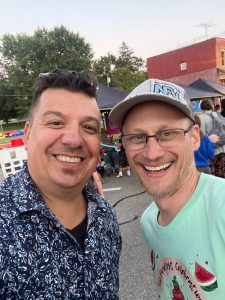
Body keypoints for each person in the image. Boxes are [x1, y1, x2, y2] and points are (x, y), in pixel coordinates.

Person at [0, 69, 121, 299]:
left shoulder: (106, 218)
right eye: (56, 122)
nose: (74, 139)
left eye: (89, 127)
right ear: (28, 134)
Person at [109, 78, 225, 299]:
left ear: (193, 138)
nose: (152, 153)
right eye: (137, 137)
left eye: (168, 133)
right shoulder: (149, 221)